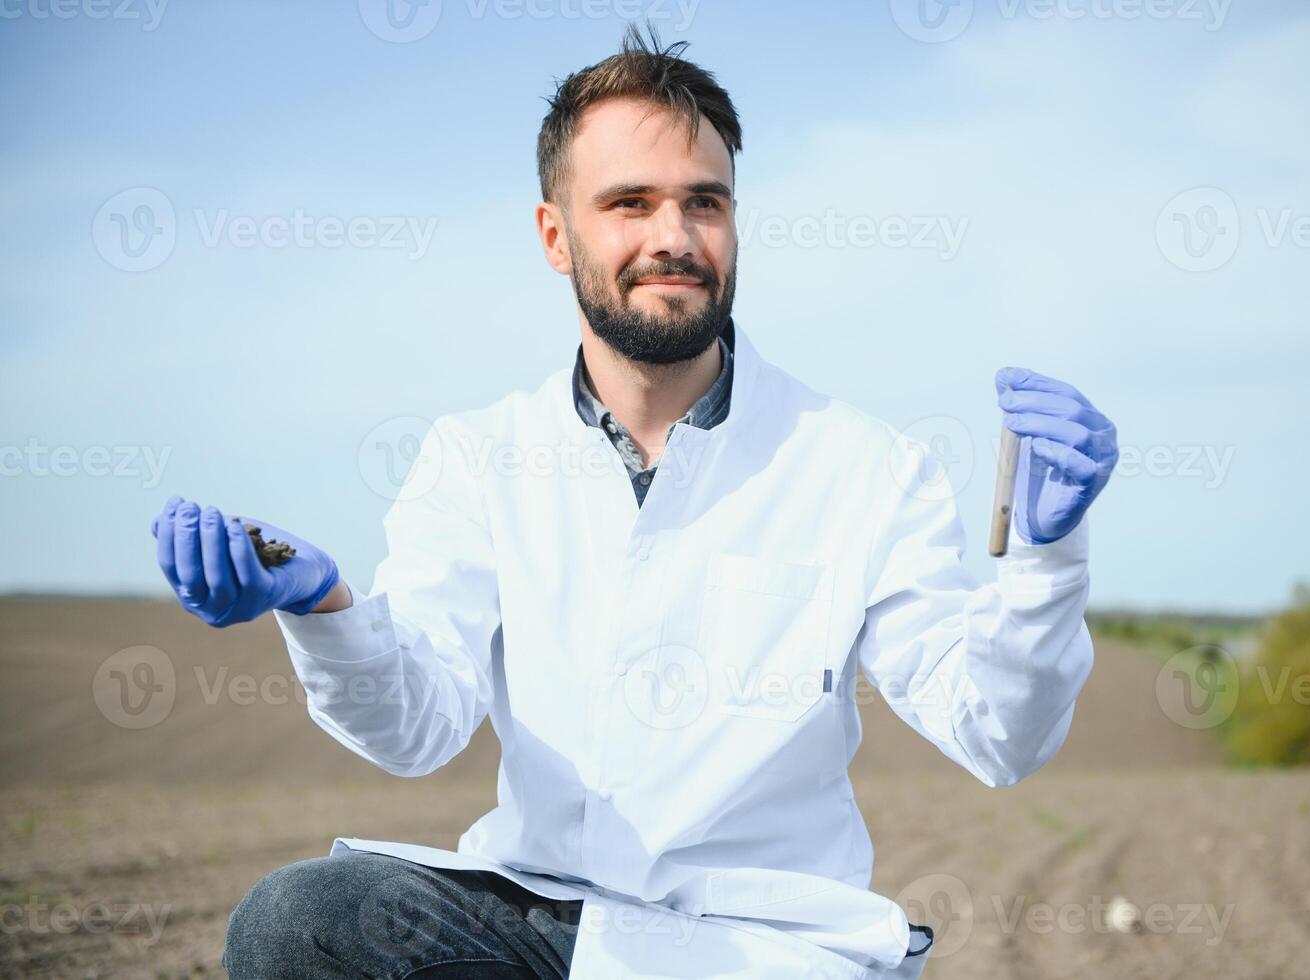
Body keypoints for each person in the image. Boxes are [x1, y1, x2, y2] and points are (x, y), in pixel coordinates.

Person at [151, 23, 1119, 980]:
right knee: (300, 920)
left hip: (764, 946)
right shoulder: (478, 455)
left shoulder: (866, 466)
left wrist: (1048, 557)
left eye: (705, 202)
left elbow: (999, 733)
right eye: (629, 202)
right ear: (554, 233)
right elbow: (415, 728)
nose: (674, 238)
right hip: (540, 919)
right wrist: (323, 607)